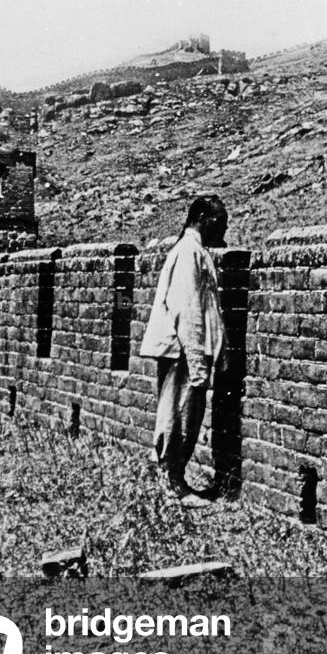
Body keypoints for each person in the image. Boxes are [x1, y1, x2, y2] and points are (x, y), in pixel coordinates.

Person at [139, 195, 228, 508]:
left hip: (184, 352)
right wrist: (197, 360)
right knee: (180, 417)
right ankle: (174, 486)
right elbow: (186, 310)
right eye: (219, 222)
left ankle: (173, 481)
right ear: (202, 216)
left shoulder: (192, 250)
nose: (223, 230)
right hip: (183, 352)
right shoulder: (189, 251)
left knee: (180, 415)